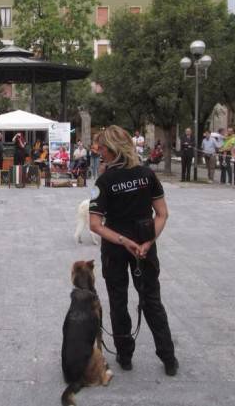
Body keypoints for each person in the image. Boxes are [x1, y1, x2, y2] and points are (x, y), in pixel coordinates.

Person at [89, 125, 178, 377]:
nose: (100, 153)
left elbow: (95, 225)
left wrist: (123, 240)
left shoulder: (104, 181)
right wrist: (148, 242)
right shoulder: (147, 175)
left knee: (118, 300)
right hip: (144, 247)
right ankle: (168, 358)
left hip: (116, 248)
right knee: (151, 300)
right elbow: (162, 214)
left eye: (101, 148)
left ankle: (125, 355)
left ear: (112, 149)